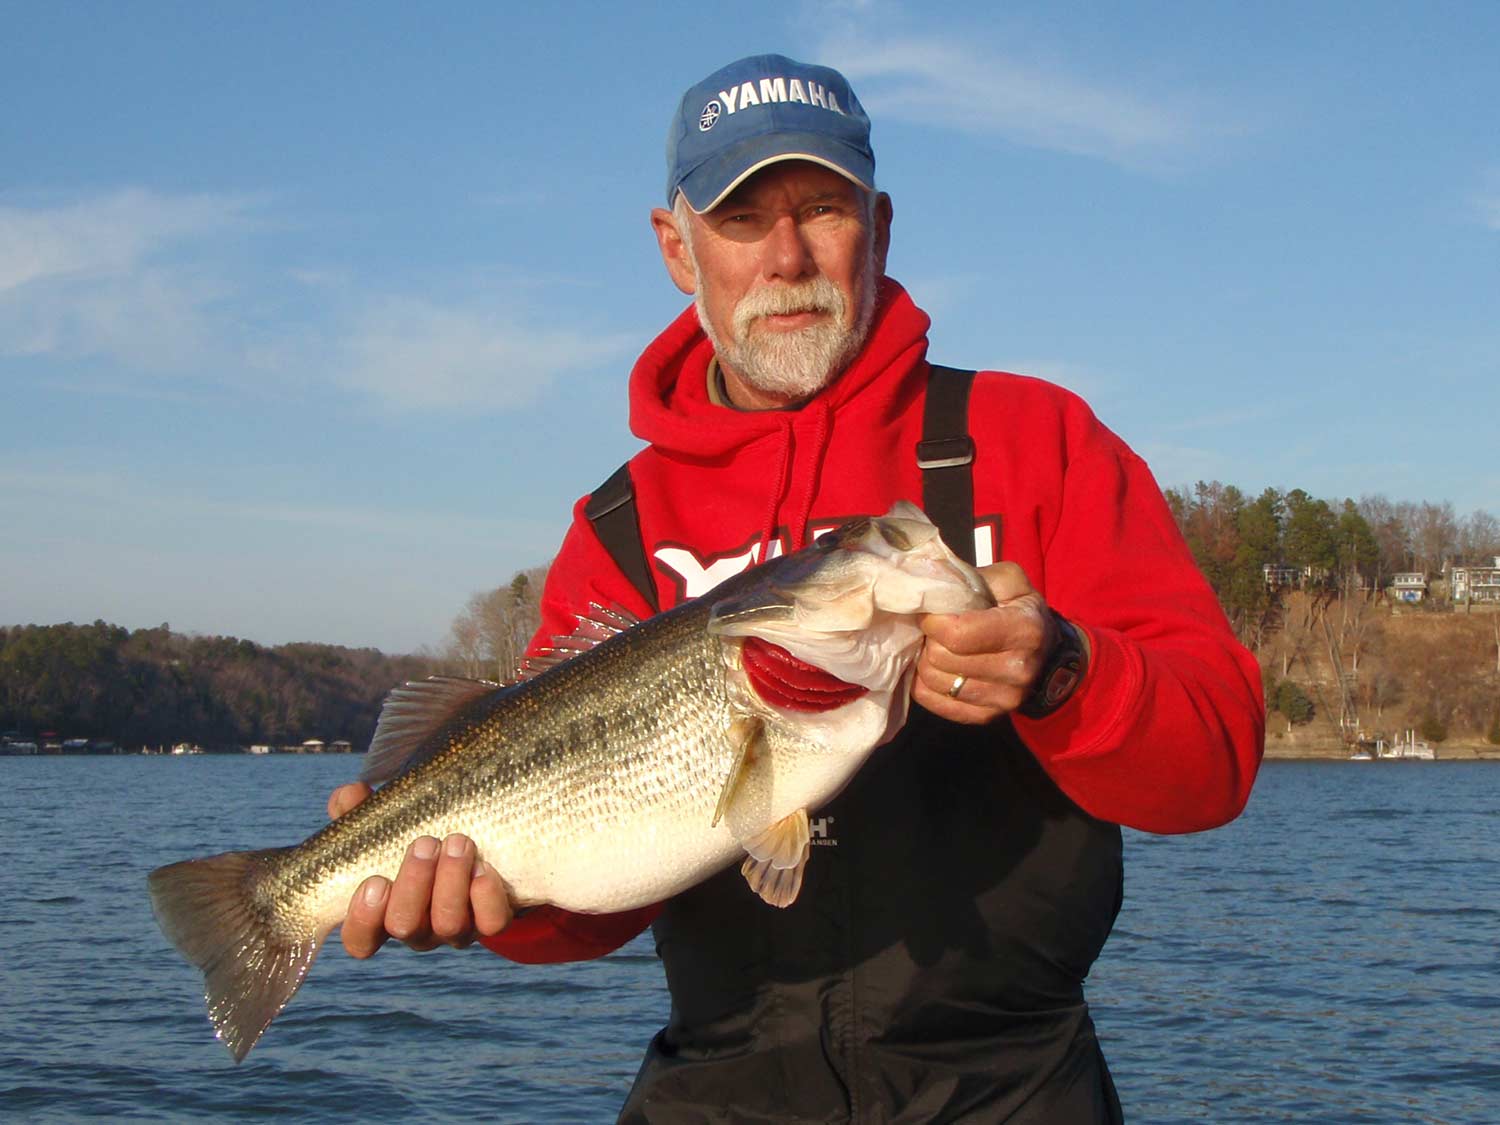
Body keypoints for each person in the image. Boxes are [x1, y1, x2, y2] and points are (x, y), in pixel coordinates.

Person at [327, 54, 1265, 1122]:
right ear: (677, 248)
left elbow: (1219, 760)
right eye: (739, 218)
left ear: (883, 224)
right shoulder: (617, 531)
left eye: (823, 207)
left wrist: (1062, 672)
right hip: (718, 1086)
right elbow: (586, 909)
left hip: (1010, 1088)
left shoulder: (1036, 442)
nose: (786, 257)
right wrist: (488, 910)